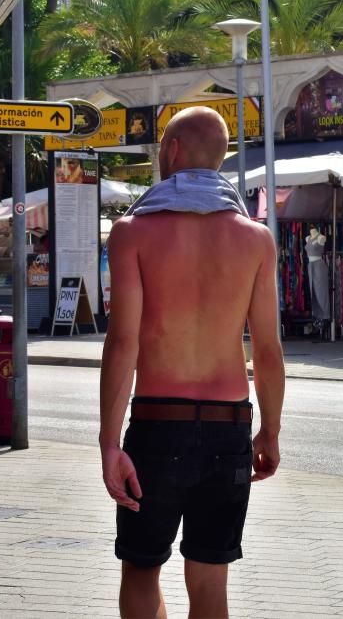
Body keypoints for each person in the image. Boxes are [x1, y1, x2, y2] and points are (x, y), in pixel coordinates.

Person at [99, 106, 285, 619]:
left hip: (159, 425)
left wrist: (109, 441)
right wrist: (269, 430)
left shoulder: (132, 233)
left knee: (141, 569)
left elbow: (122, 343)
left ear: (173, 151)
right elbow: (267, 351)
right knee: (209, 582)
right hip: (229, 429)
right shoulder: (256, 239)